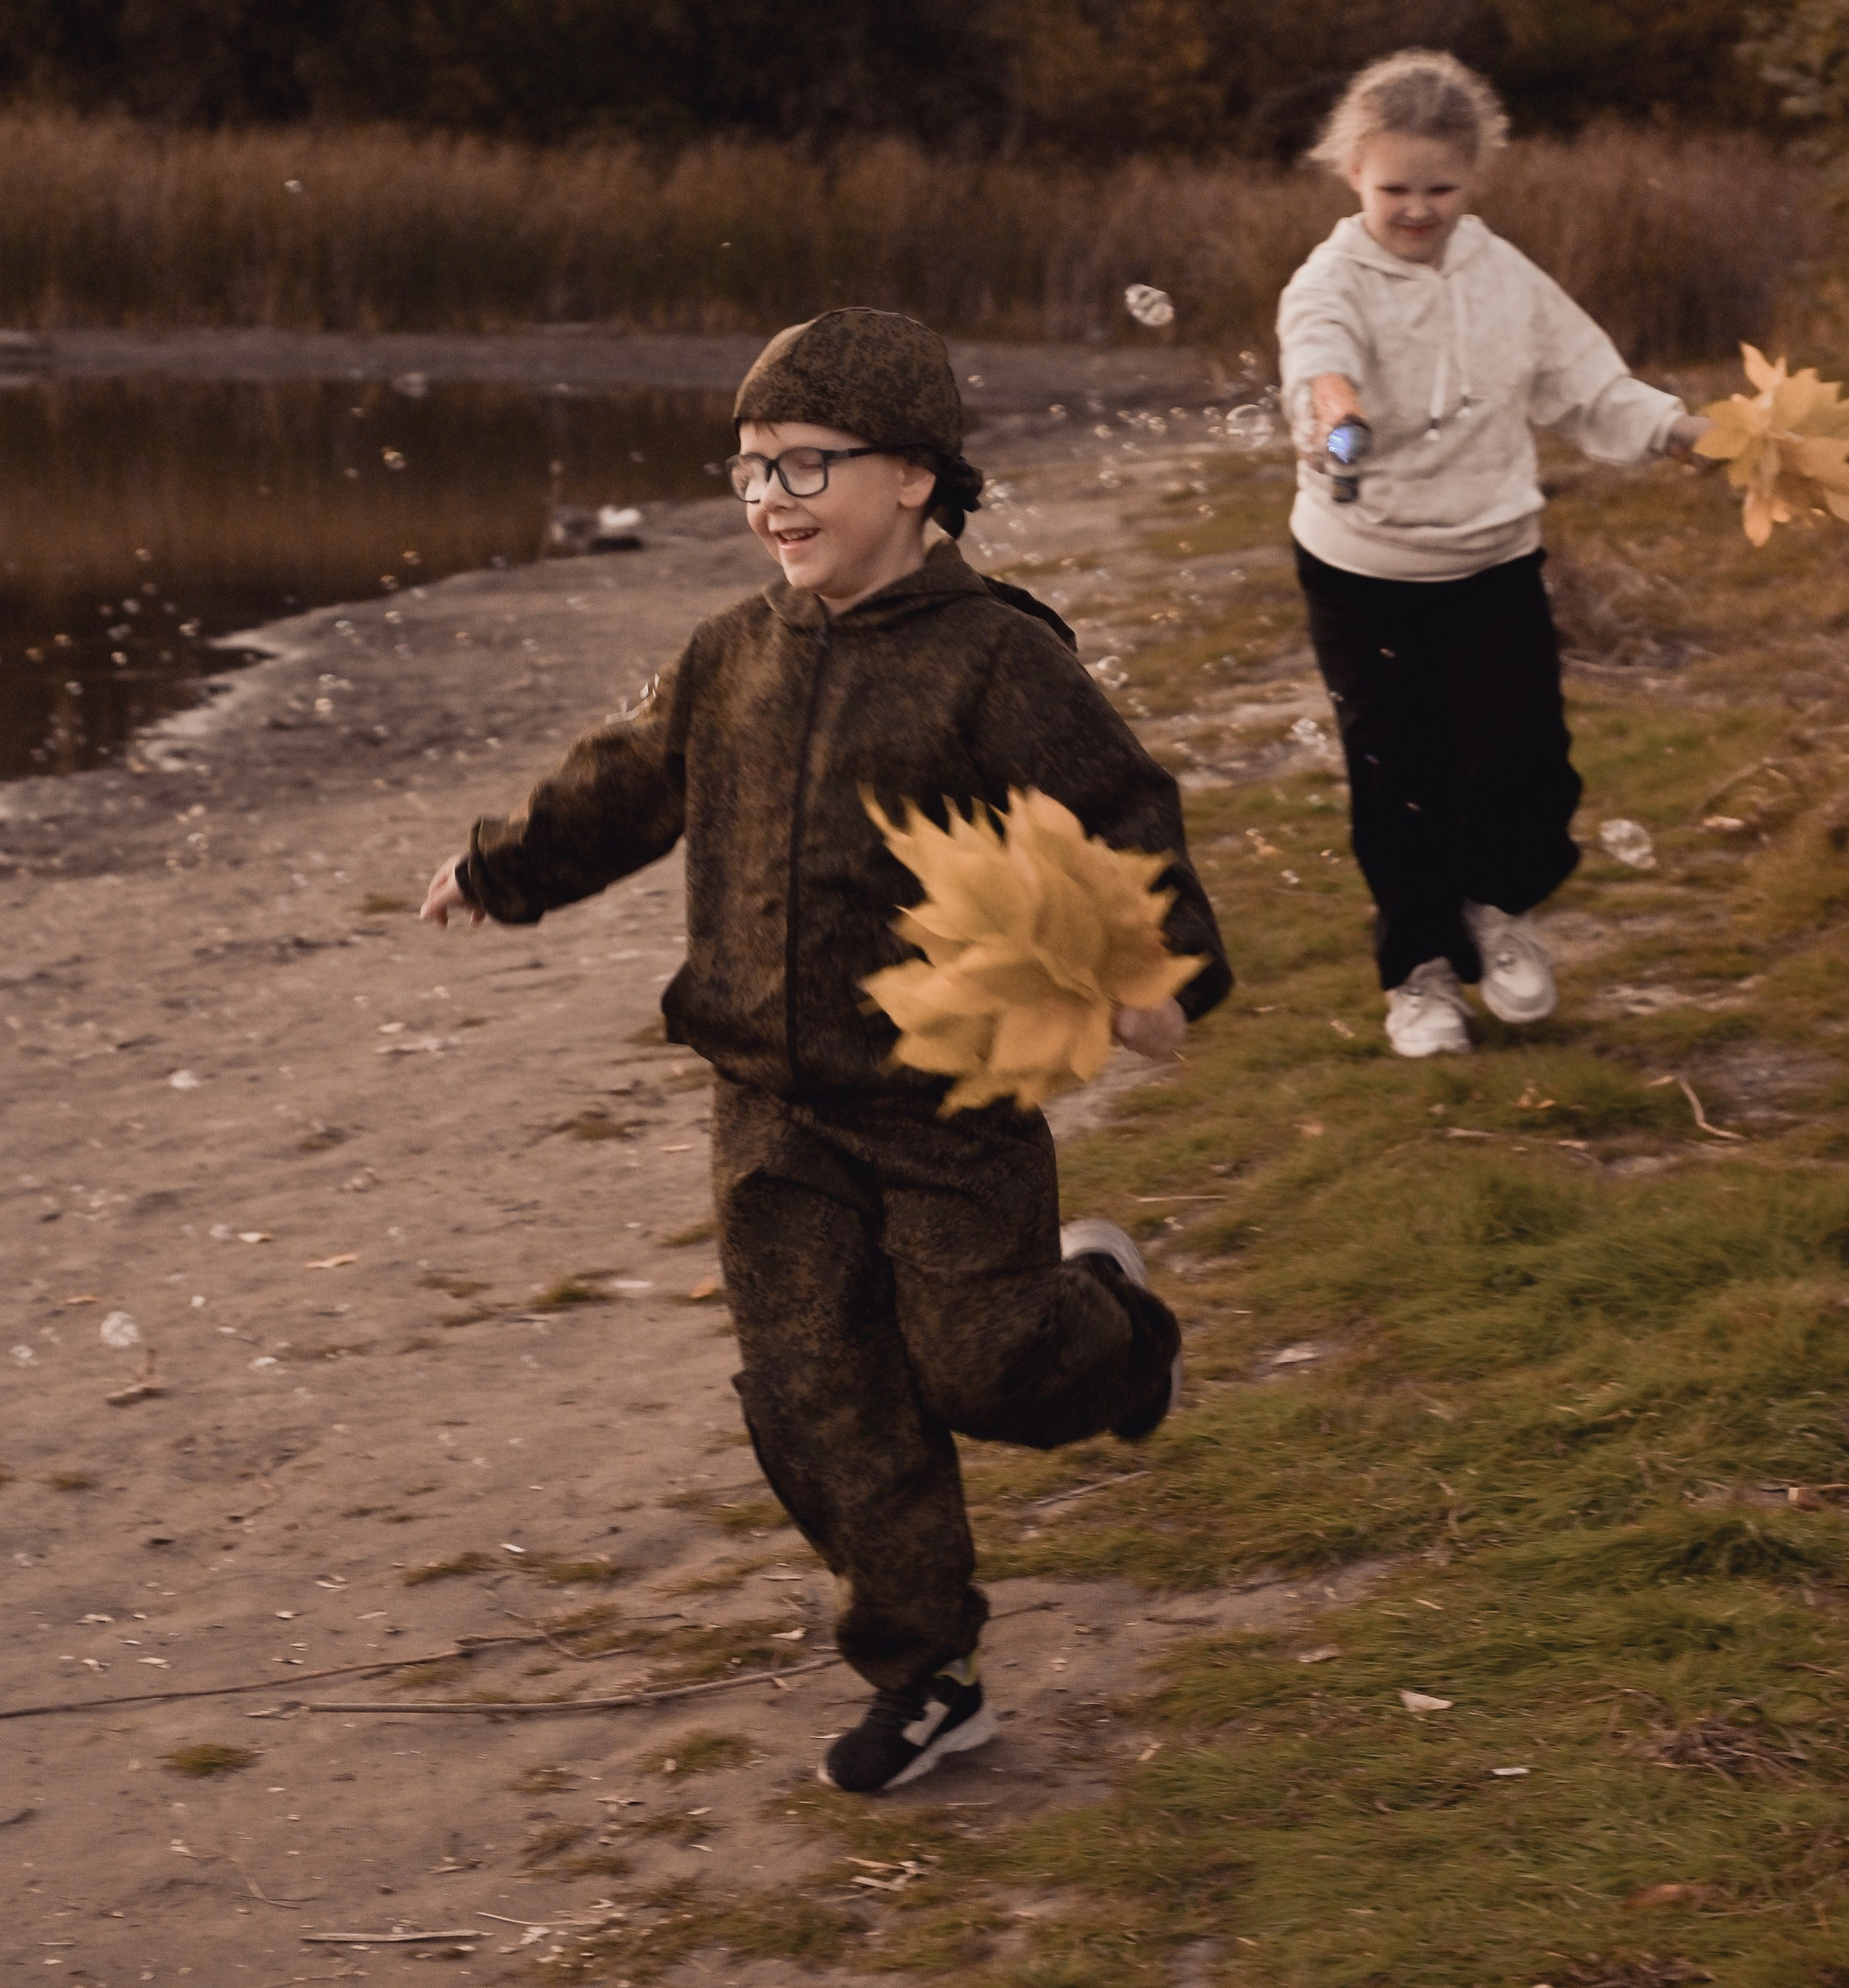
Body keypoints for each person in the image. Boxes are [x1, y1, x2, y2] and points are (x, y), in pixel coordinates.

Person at [419, 308, 1232, 1793]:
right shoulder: (731, 653)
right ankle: (932, 1673)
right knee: (817, 1398)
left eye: (807, 464)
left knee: (986, 1362)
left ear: (916, 477)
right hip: (770, 1102)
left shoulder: (997, 662)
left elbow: (1125, 815)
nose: (769, 499)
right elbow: (627, 784)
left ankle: (1116, 1327)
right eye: (746, 471)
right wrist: (506, 867)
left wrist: (1155, 973)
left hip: (947, 1106)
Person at [1276, 49, 1711, 1058]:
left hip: (1493, 561)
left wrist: (1689, 435)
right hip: (1362, 573)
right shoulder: (1330, 279)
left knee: (1525, 765)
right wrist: (1335, 410)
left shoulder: (1504, 273)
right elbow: (1319, 364)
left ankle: (1492, 909)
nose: (1419, 209)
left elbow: (1588, 385)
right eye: (1396, 189)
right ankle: (1420, 976)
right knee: (1402, 776)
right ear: (1354, 174)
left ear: (1473, 178)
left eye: (1441, 188)